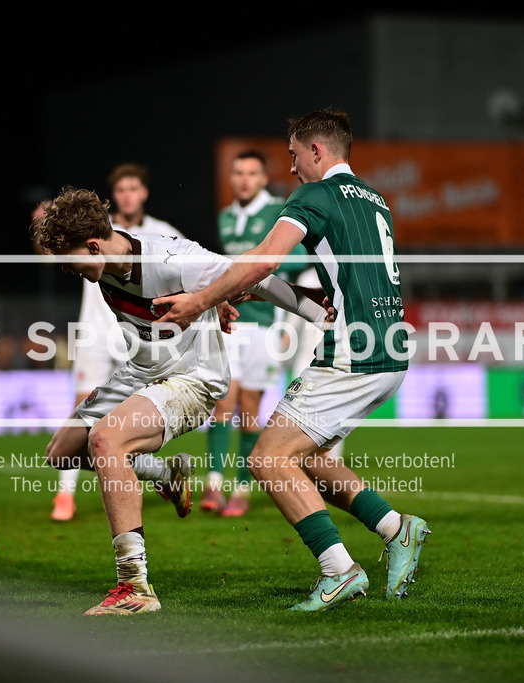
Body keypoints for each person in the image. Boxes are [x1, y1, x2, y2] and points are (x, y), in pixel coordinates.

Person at [154, 108, 431, 611]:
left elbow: (263, 259)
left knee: (267, 457)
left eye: (294, 154)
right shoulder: (375, 200)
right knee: (312, 459)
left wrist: (198, 301)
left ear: (317, 151)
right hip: (391, 349)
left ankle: (340, 570)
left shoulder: (314, 194)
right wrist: (260, 293)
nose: (292, 167)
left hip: (352, 351)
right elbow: (336, 279)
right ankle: (397, 528)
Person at [30, 186, 331, 615]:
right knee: (61, 453)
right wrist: (216, 303)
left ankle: (134, 586)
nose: (71, 271)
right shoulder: (105, 262)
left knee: (106, 440)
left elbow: (254, 276)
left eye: (71, 261)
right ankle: (165, 473)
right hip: (140, 370)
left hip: (193, 378)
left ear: (93, 245)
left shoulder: (171, 258)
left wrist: (316, 311)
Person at [48, 164, 185, 522]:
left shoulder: (161, 233)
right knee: (80, 417)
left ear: (144, 193)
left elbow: (189, 272)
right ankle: (66, 495)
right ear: (113, 196)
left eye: (133, 188)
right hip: (94, 333)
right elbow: (53, 248)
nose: (127, 195)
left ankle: (162, 475)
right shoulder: (93, 231)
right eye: (121, 189)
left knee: (118, 431)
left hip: (140, 340)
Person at [203, 151, 308, 517]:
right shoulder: (226, 217)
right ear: (231, 179)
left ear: (264, 178)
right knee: (222, 405)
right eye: (239, 173)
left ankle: (242, 489)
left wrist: (287, 324)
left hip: (267, 325)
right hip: (231, 323)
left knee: (249, 412)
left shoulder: (279, 211)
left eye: (252, 173)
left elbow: (297, 260)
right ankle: (214, 484)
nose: (245, 179)